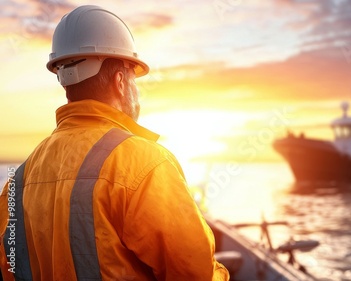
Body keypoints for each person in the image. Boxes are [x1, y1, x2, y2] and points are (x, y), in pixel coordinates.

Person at [0, 5, 229, 281]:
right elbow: (196, 274)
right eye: (134, 79)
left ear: (65, 80)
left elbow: (8, 268)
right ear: (120, 82)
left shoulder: (20, 179)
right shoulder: (145, 164)